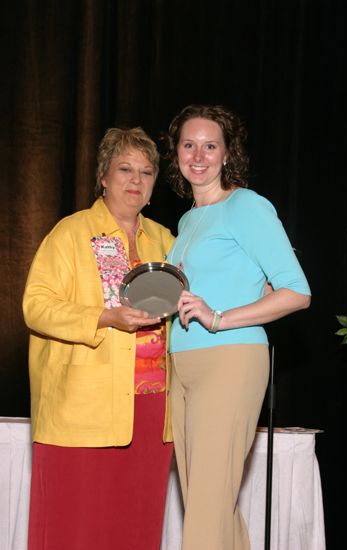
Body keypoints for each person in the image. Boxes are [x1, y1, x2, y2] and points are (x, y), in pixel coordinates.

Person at [165, 104, 311, 550]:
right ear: (176, 154)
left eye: (211, 145)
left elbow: (296, 291)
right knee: (208, 506)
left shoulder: (246, 205)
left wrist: (220, 317)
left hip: (229, 360)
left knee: (208, 508)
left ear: (228, 154)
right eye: (189, 144)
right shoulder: (188, 219)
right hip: (182, 365)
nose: (199, 154)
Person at [23, 127, 175, 550]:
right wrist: (104, 317)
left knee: (136, 528)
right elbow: (35, 306)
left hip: (151, 411)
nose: (135, 180)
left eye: (146, 172)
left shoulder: (165, 240)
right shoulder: (70, 234)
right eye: (124, 169)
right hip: (82, 411)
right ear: (103, 177)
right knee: (76, 530)